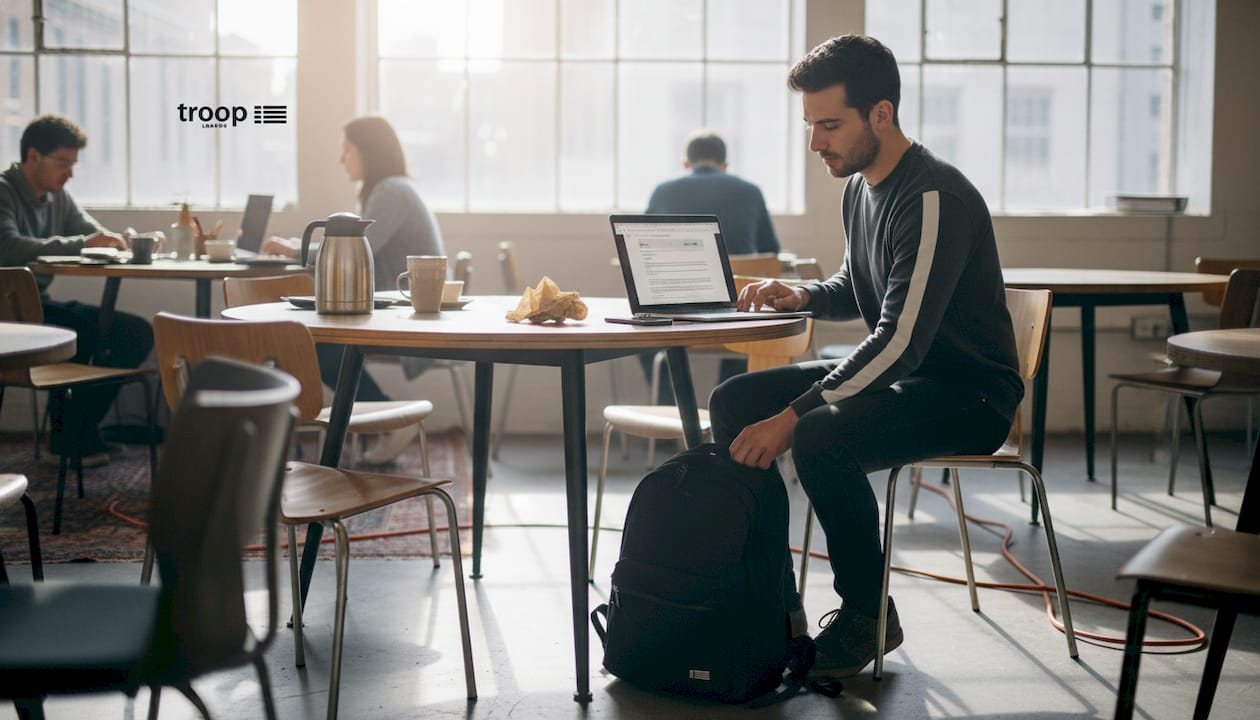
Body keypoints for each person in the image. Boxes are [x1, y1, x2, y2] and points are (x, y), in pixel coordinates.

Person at [708, 35, 1023, 681]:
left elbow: (901, 342)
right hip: (909, 380)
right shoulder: (861, 187)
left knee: (820, 436)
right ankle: (761, 590)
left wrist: (790, 420)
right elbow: (859, 287)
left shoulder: (934, 198)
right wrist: (799, 293)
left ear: (881, 114)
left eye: (830, 125)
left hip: (970, 395)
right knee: (735, 401)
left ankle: (866, 615)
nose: (816, 143)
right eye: (810, 126)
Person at [263, 115, 444, 464]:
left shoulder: (391, 191)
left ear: (367, 152)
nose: (341, 158)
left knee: (318, 349)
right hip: (401, 308)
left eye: (347, 149)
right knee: (319, 346)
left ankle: (390, 418)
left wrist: (294, 249)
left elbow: (358, 245)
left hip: (405, 313)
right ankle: (382, 419)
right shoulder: (392, 188)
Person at [0, 114, 153, 467]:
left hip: (40, 305)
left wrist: (125, 241)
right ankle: (68, 438)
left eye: (73, 163)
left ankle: (76, 431)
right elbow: (7, 247)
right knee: (81, 332)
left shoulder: (58, 198)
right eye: (63, 162)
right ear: (33, 156)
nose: (70, 172)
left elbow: (95, 235)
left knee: (135, 332)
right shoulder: (4, 191)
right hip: (9, 314)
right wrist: (84, 243)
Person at [641, 130, 781, 403]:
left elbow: (643, 252)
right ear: (725, 165)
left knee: (641, 336)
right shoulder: (750, 191)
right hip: (736, 315)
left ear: (686, 164)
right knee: (743, 327)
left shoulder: (664, 191)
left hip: (677, 314)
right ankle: (725, 409)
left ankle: (676, 415)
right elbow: (771, 250)